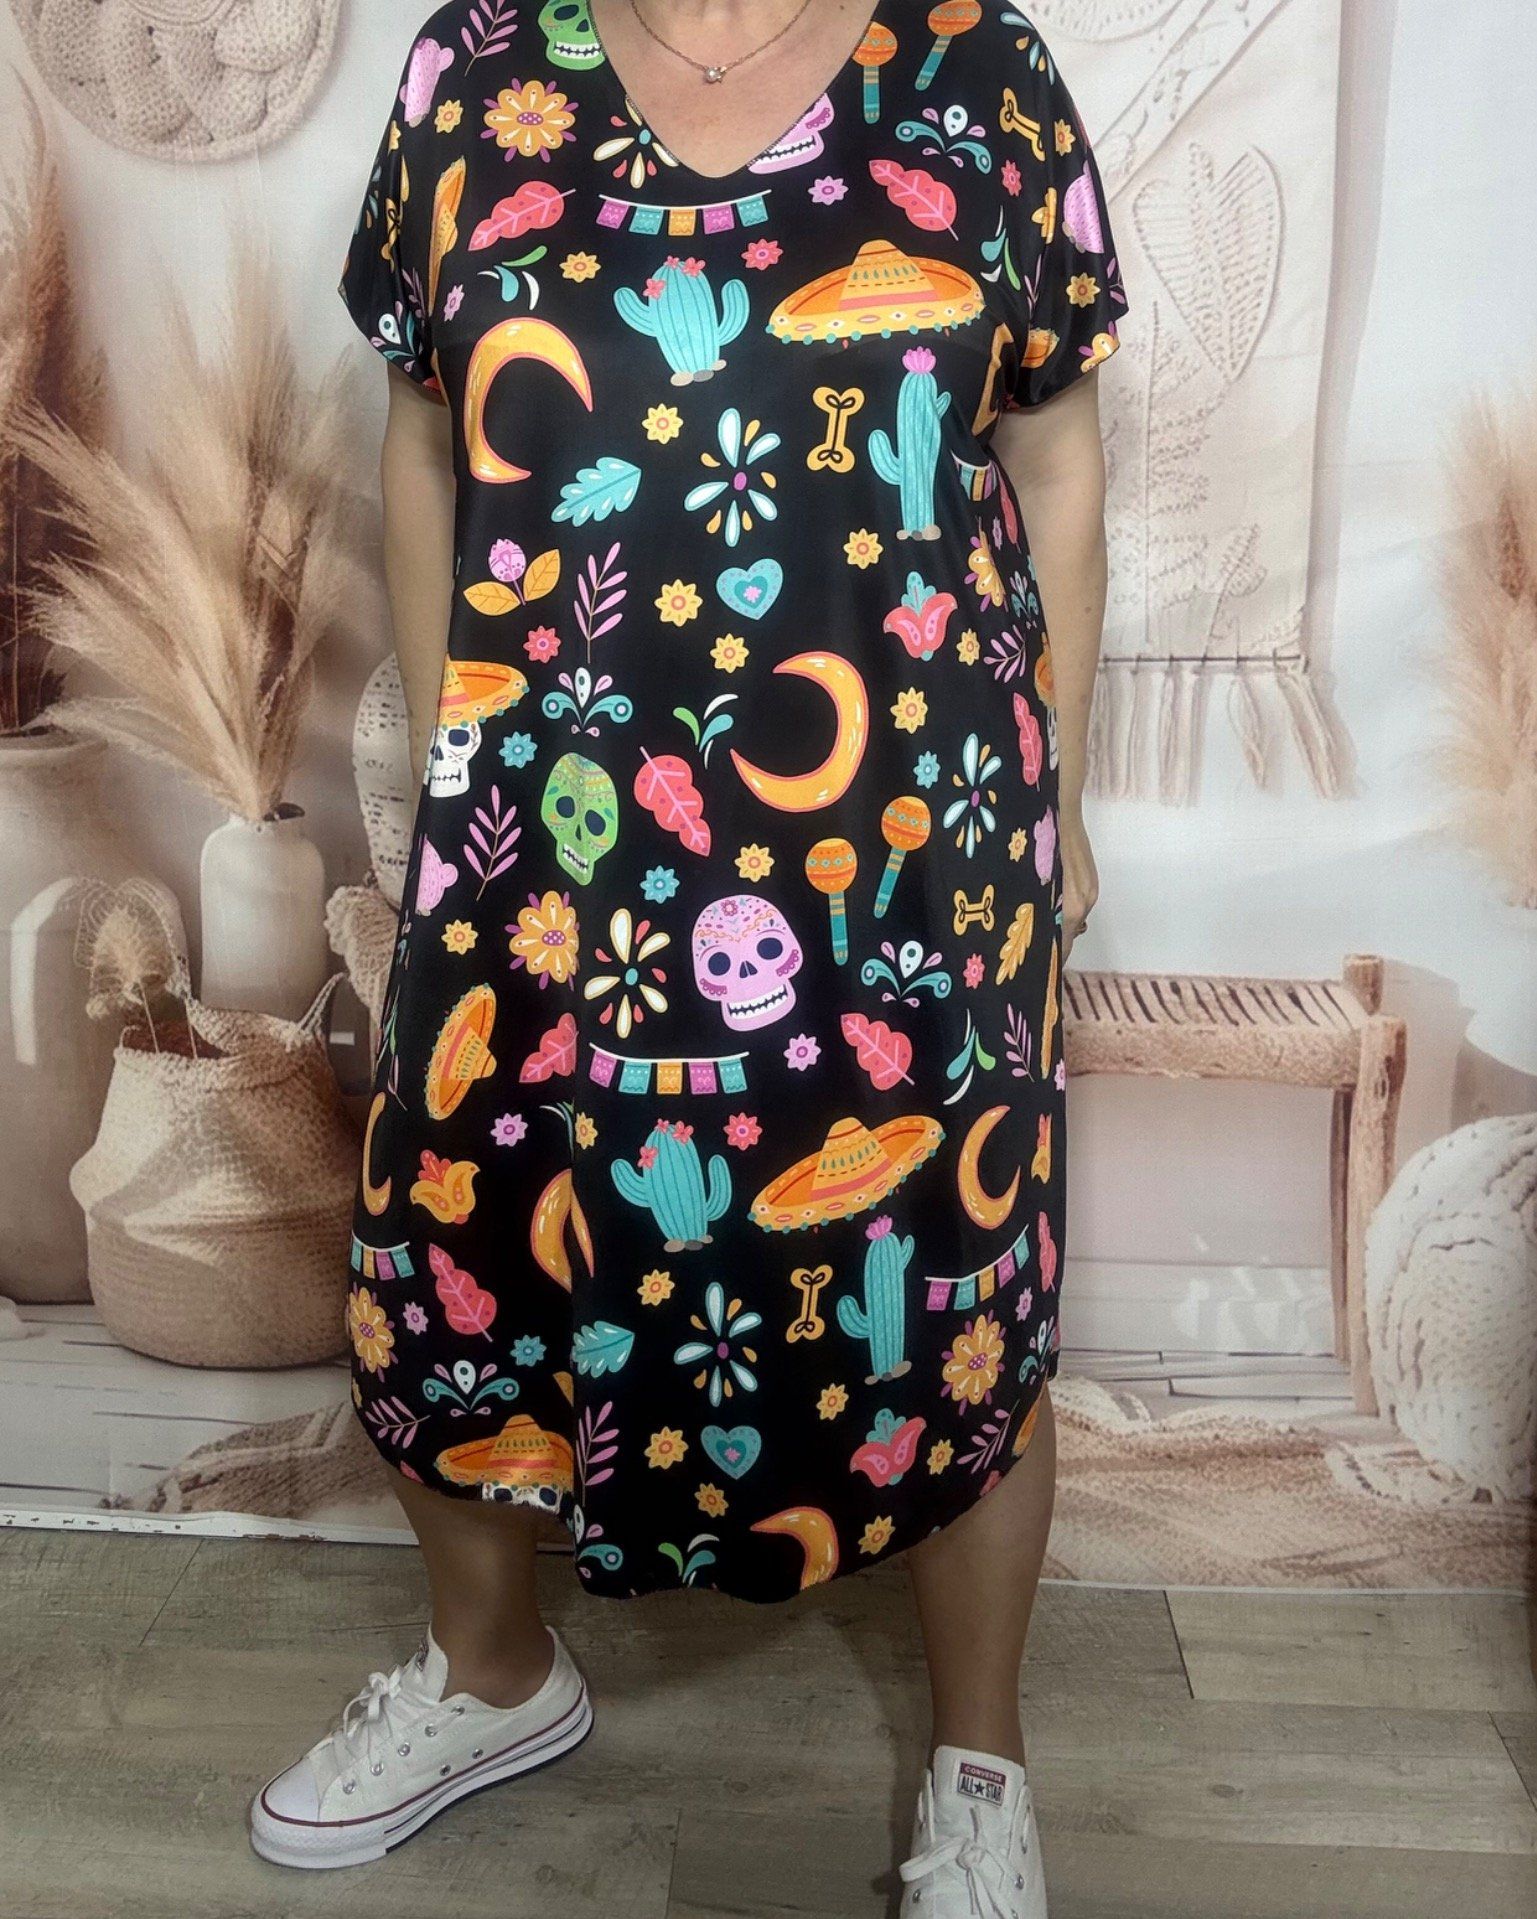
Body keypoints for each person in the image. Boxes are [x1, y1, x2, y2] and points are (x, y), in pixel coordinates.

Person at [250, 3, 1125, 1912]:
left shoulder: (979, 72)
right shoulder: (474, 68)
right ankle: (493, 1678)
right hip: (547, 834)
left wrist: (1047, 791)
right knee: (464, 1244)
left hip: (907, 843)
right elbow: (425, 432)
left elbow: (1054, 458)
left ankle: (981, 1763)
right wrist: (468, 748)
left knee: (948, 1279)